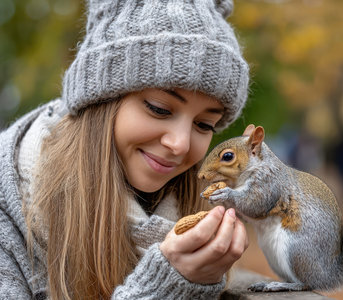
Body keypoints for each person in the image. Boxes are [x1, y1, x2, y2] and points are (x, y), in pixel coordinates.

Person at [0, 0, 250, 299]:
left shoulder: (200, 207)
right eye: (159, 109)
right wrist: (165, 286)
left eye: (204, 125)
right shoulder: (9, 211)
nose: (180, 144)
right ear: (100, 102)